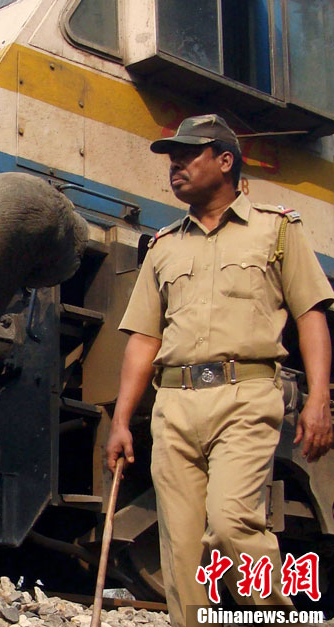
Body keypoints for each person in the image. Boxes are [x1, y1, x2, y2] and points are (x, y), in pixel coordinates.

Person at [105, 114, 334, 627]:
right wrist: (122, 420)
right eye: (171, 157)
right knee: (181, 554)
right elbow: (144, 339)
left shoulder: (277, 229)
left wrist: (319, 399)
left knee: (232, 525)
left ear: (225, 161)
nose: (175, 165)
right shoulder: (164, 246)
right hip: (175, 406)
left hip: (246, 397)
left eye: (188, 154)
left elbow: (310, 317)